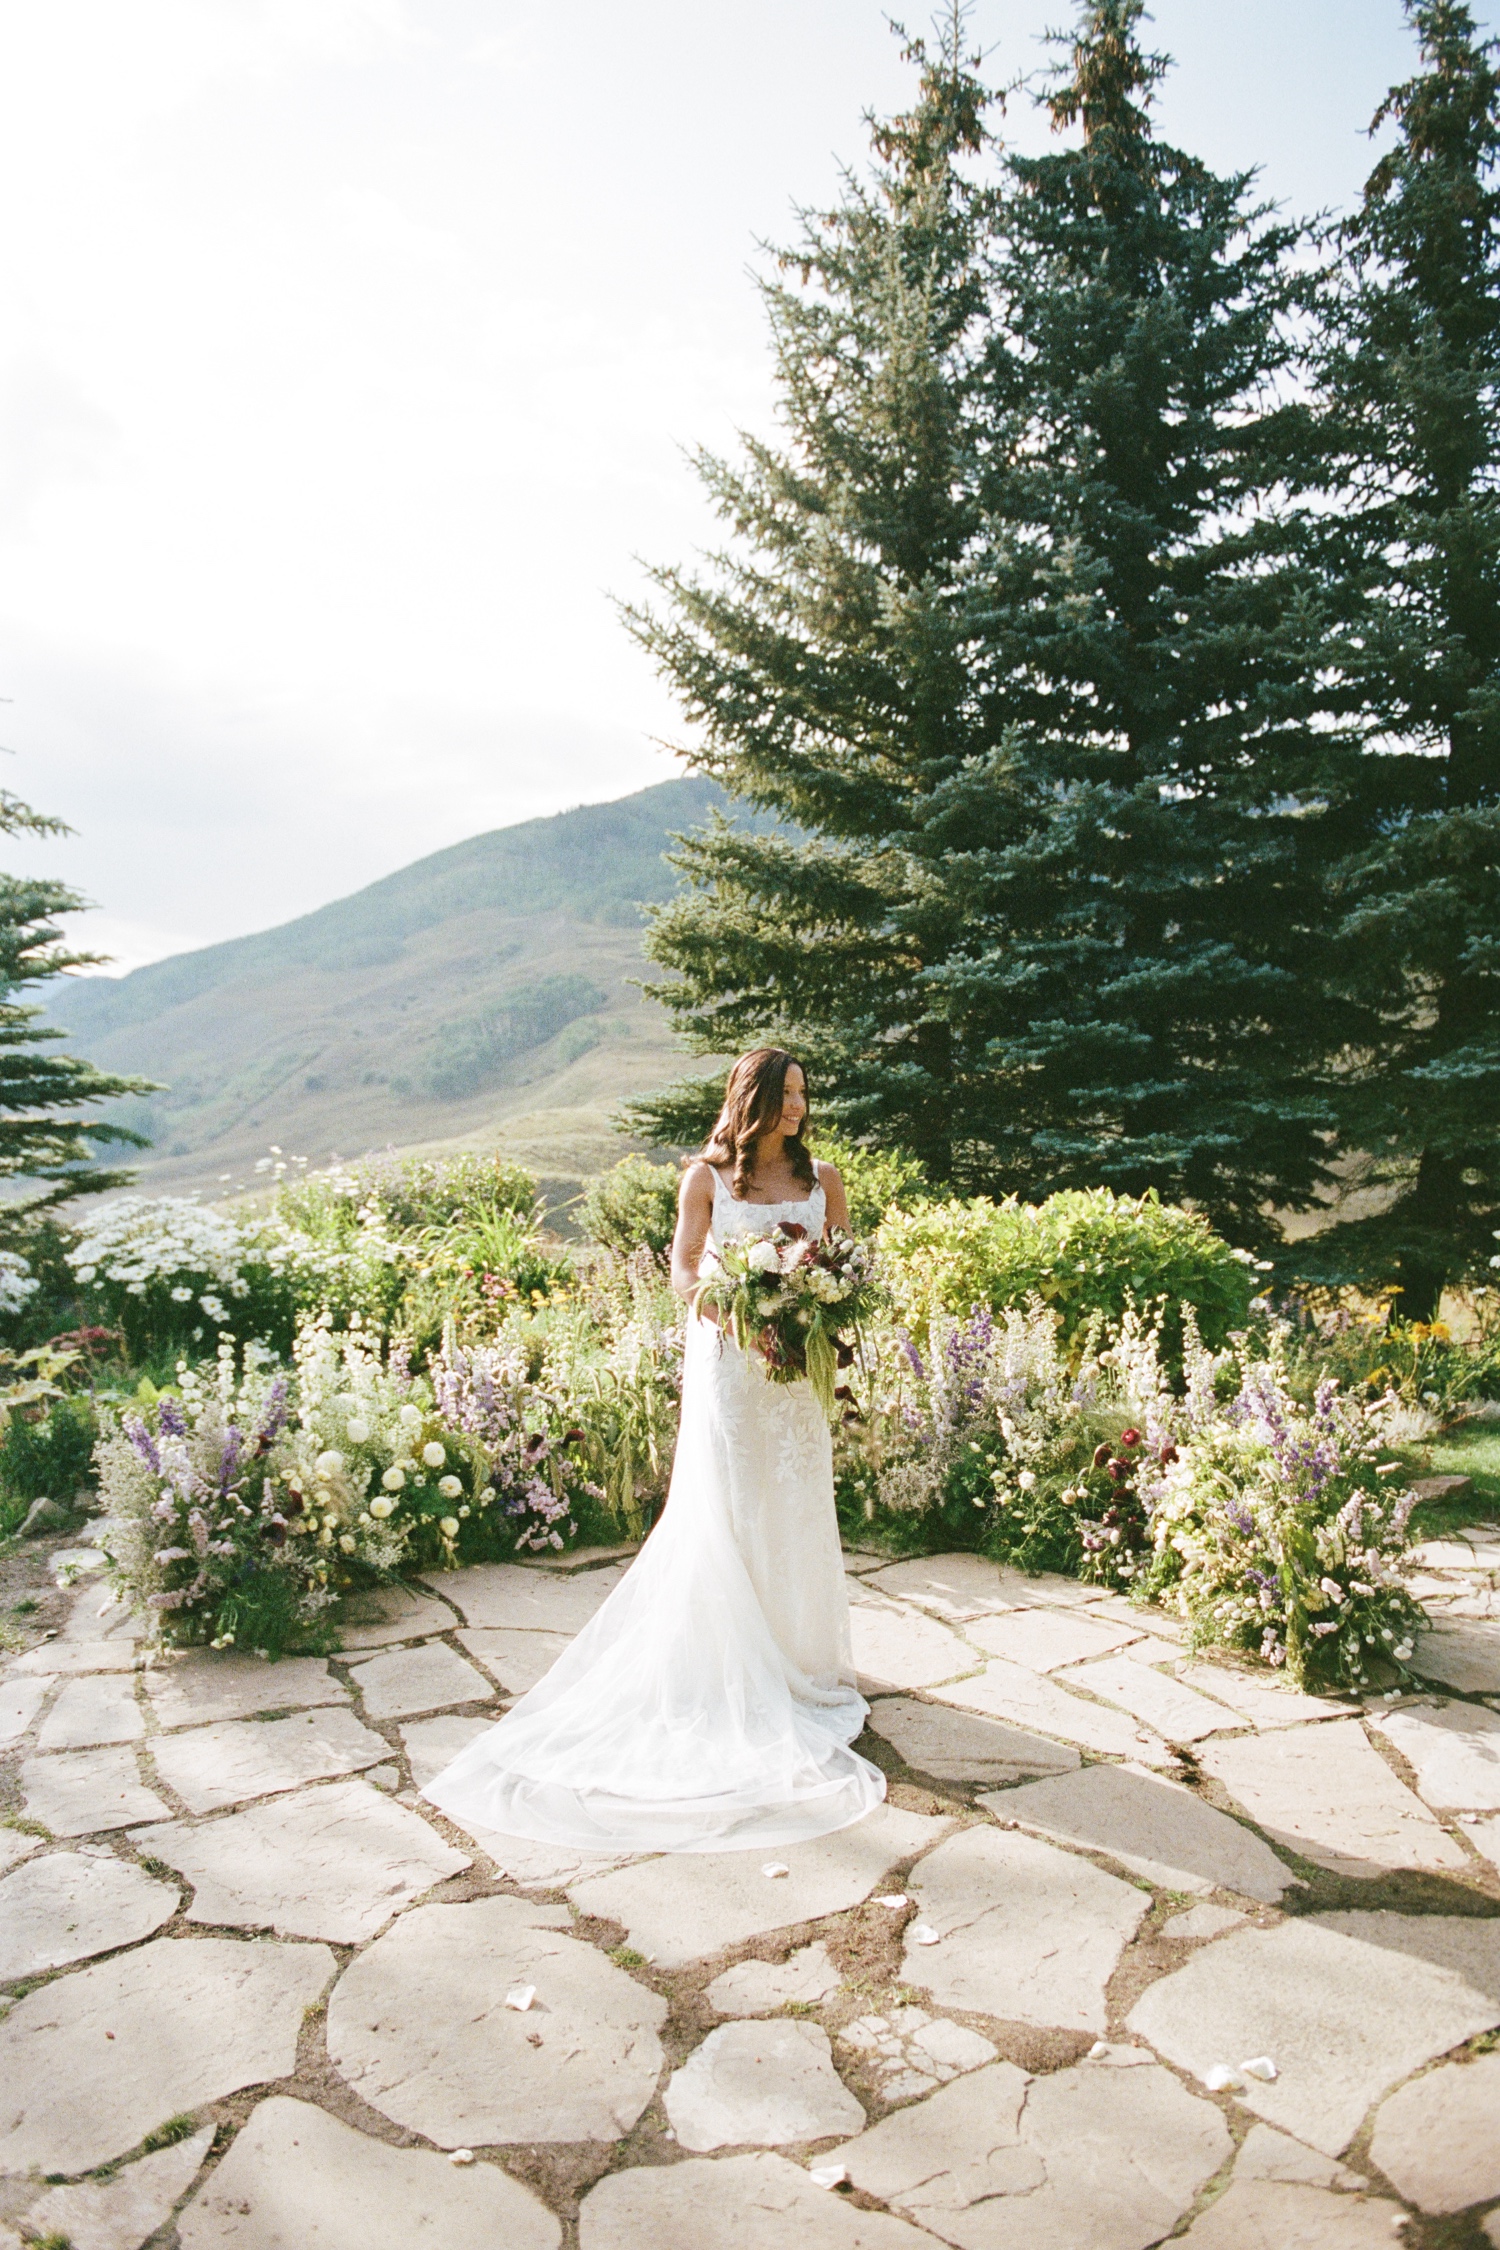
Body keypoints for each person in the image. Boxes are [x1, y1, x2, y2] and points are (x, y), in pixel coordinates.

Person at [422, 1046, 886, 1853]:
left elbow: (843, 1265)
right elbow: (680, 1272)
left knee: (795, 1506)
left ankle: (798, 1660)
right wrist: (742, 1304)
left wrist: (817, 1306)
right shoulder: (705, 1179)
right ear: (751, 1098)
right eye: (785, 1097)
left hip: (795, 1376)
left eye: (805, 1096)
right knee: (730, 1509)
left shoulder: (826, 1179)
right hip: (731, 1369)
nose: (798, 1110)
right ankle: (728, 1665)